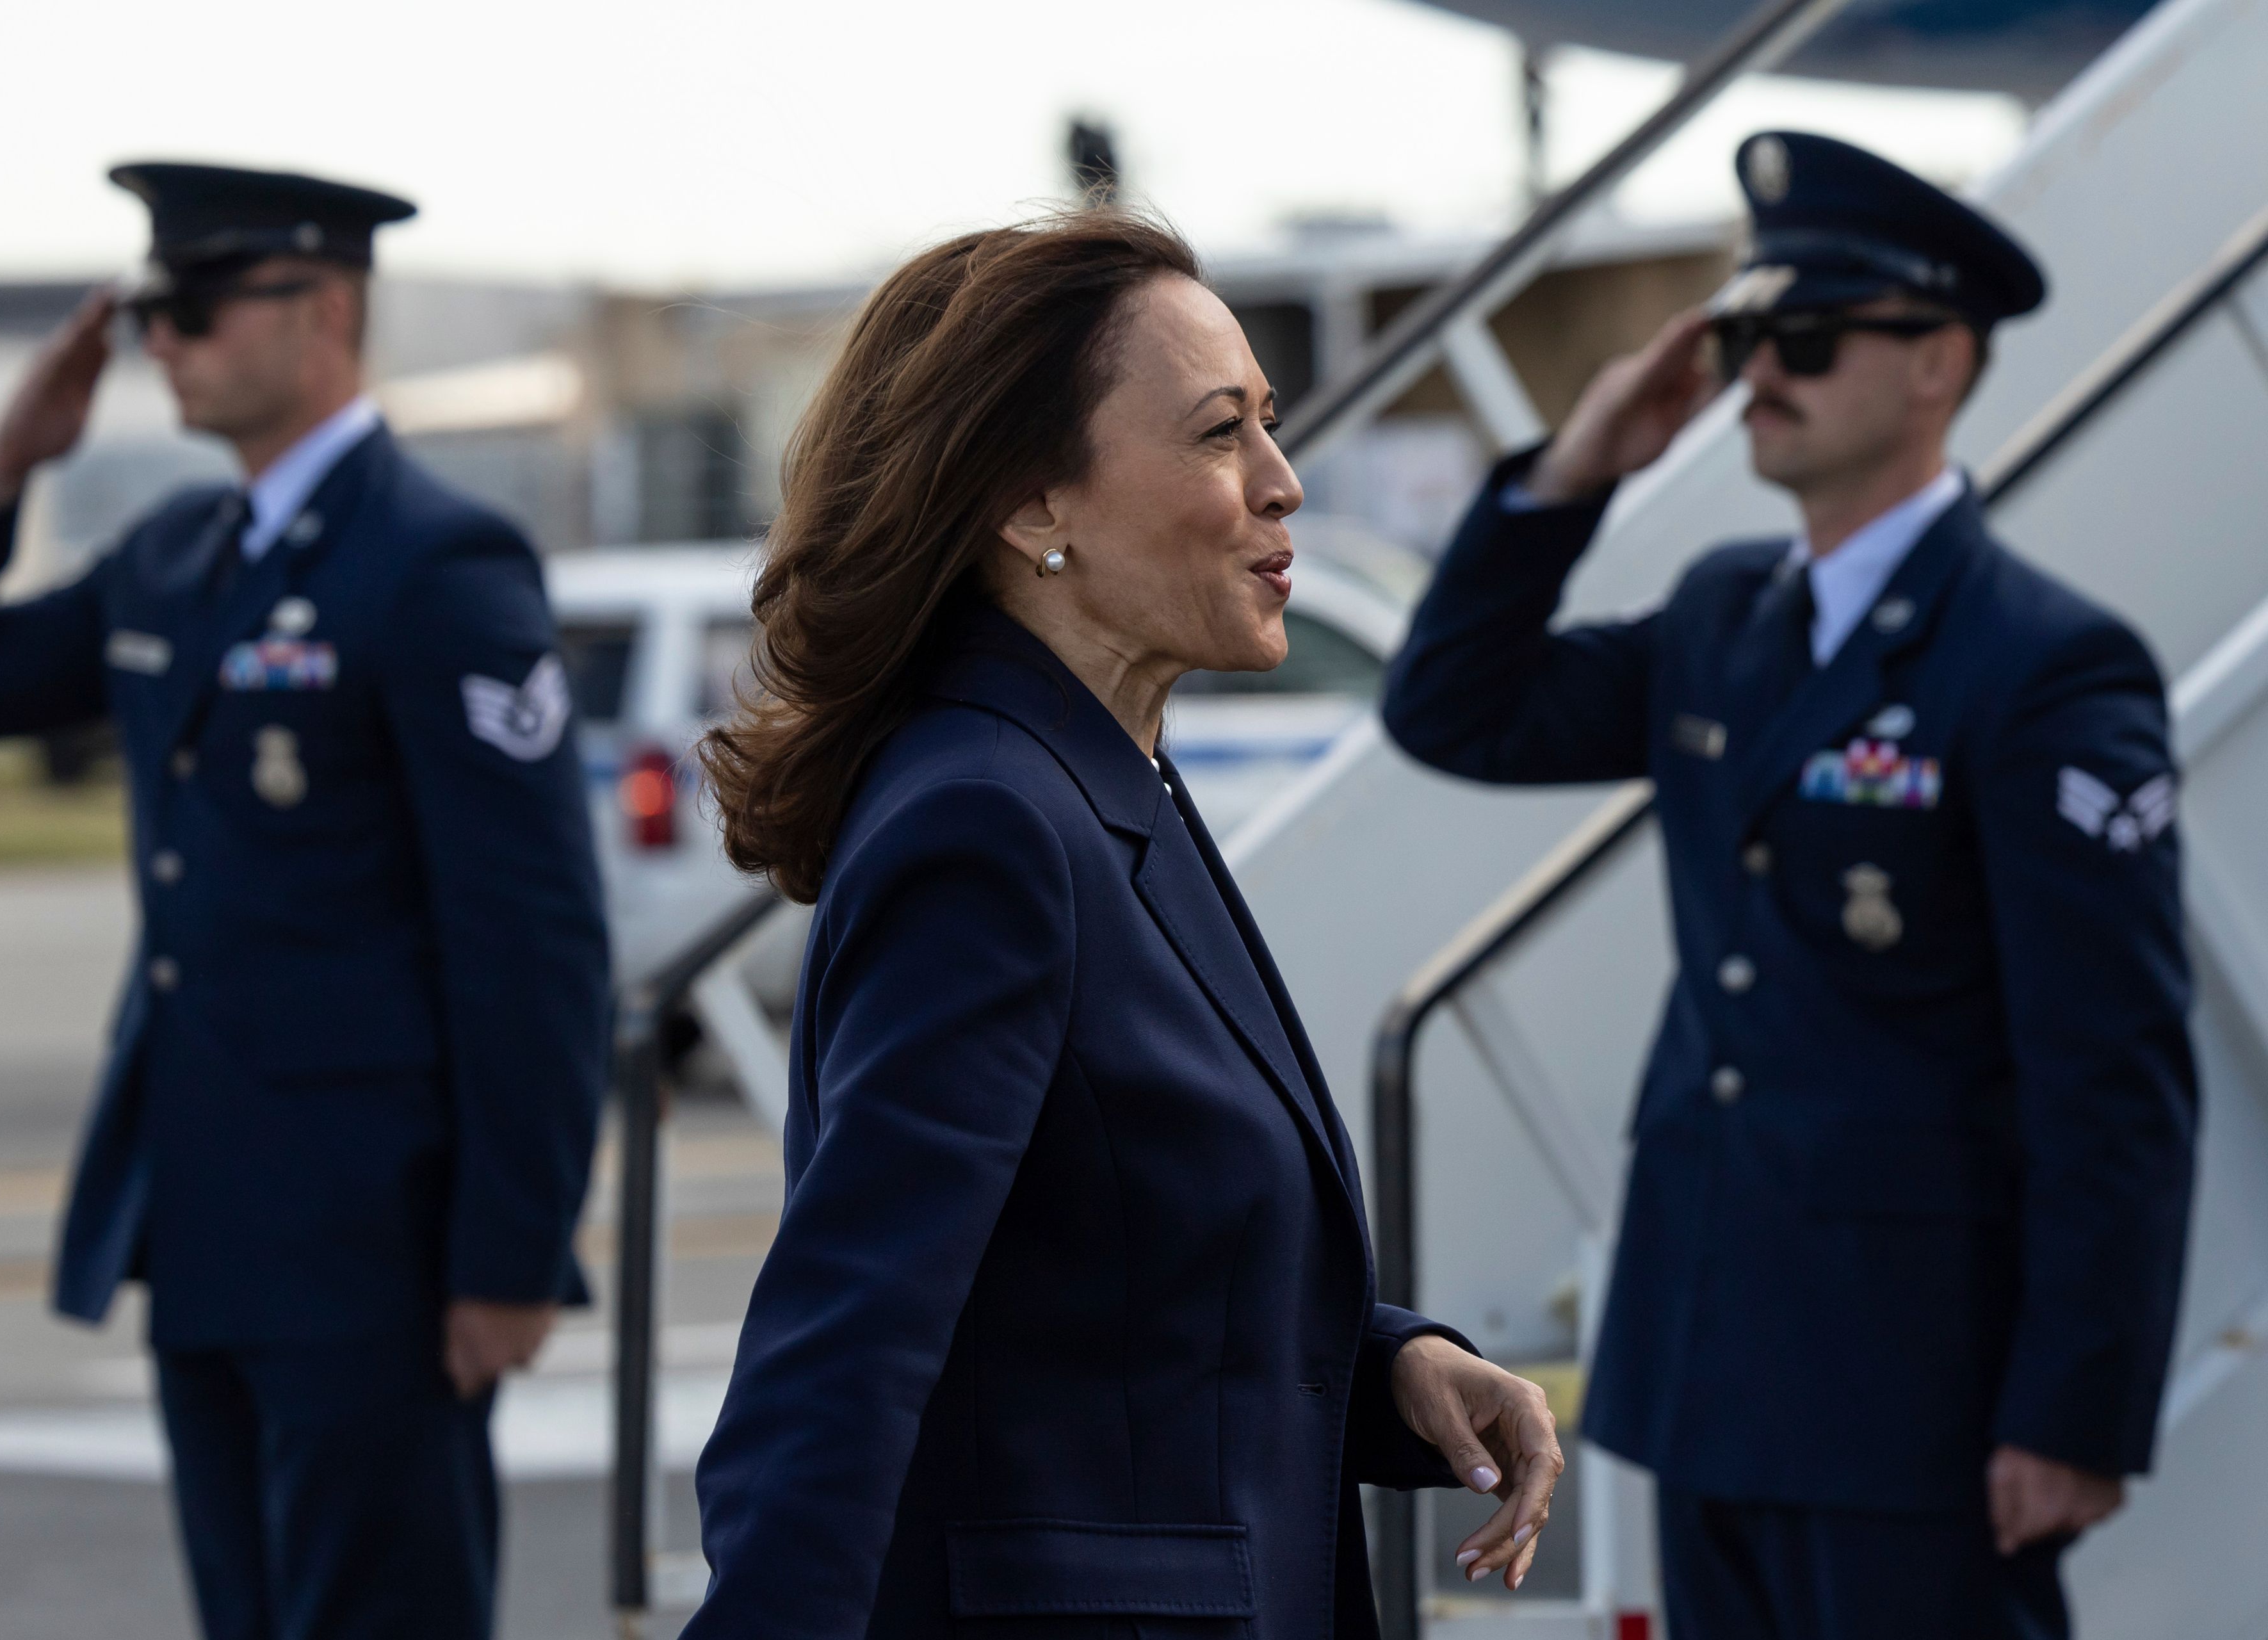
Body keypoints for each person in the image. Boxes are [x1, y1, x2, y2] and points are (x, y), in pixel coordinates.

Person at [682, 210, 1565, 1638]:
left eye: (1269, 426)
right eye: (1221, 436)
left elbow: (1109, 1270)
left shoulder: (1095, 777)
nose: (1282, 485)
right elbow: (845, 1354)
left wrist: (1390, 1367)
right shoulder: (992, 824)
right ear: (1036, 509)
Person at [1381, 132, 2198, 1639]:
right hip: (1715, 1359)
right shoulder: (1722, 618)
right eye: (1751, 337)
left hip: (1917, 1396)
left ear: (1938, 361)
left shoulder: (2041, 662)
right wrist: (1574, 472)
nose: (1763, 375)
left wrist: (2075, 1411)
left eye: (1807, 340)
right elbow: (1453, 712)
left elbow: (2115, 1074)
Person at [0, 163, 611, 1640]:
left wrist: (511, 1258)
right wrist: (4, 467)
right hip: (202, 1222)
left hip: (376, 1249)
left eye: (195, 312)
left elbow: (532, 940)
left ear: (324, 308)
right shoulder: (175, 557)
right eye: (149, 317)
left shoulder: (436, 563)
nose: (163, 347)